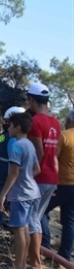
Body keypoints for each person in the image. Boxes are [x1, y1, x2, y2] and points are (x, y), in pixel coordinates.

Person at [0, 113, 41, 269]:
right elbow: (37, 169)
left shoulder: (16, 146)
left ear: (17, 127)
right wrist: (27, 178)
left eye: (10, 125)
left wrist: (2, 195)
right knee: (26, 228)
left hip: (21, 195)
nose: (8, 128)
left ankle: (18, 268)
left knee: (18, 230)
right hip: (33, 192)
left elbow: (13, 172)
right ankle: (22, 265)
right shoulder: (29, 144)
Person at [25, 83, 60, 269]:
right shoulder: (55, 122)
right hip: (52, 177)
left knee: (32, 219)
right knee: (36, 217)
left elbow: (38, 153)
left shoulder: (36, 122)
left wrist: (27, 175)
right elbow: (53, 153)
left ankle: (35, 263)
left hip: (39, 177)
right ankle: (32, 259)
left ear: (31, 100)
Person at [42, 109, 74, 261]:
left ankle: (44, 246)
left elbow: (53, 159)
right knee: (69, 221)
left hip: (61, 184)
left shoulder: (64, 136)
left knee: (39, 211)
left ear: (69, 120)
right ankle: (65, 256)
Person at [0, 106, 26, 236]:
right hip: (6, 172)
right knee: (3, 198)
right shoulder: (13, 139)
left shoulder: (2, 136)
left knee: (1, 197)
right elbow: (13, 158)